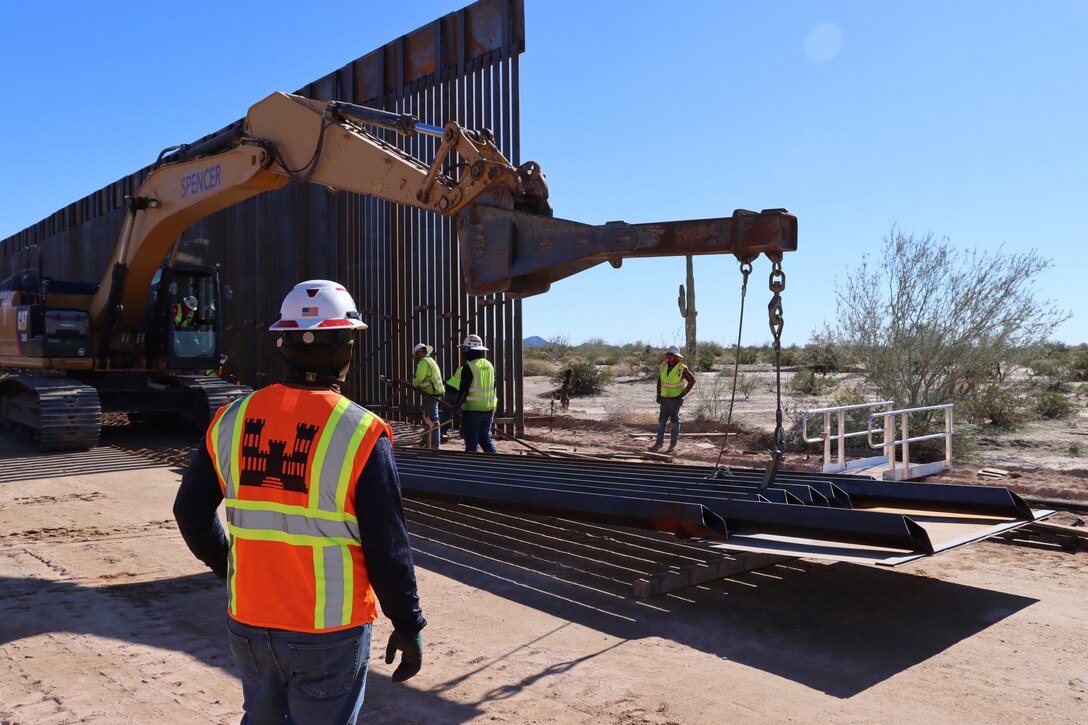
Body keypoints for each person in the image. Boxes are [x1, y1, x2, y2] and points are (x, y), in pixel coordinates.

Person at [173, 279, 425, 724]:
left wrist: (231, 568)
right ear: (345, 350)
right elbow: (388, 545)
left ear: (283, 345)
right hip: (328, 631)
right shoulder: (360, 432)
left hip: (249, 619)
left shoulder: (232, 418)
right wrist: (407, 622)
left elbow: (190, 512)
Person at [452, 333, 498, 453]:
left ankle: (472, 467)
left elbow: (463, 391)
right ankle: (499, 462)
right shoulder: (489, 365)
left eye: (464, 349)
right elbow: (493, 386)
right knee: (485, 439)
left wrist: (456, 408)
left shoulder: (469, 367)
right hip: (489, 409)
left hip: (473, 411)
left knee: (472, 441)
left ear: (470, 350)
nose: (463, 352)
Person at [649, 345, 696, 453]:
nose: (668, 356)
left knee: (675, 422)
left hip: (676, 399)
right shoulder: (663, 366)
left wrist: (683, 393)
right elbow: (660, 381)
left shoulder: (681, 368)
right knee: (661, 422)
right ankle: (658, 444)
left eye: (671, 355)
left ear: (676, 357)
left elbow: (692, 380)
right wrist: (658, 395)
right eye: (668, 354)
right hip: (664, 398)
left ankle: (672, 445)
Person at [411, 342, 444, 448]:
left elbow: (420, 378)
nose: (416, 357)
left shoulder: (423, 362)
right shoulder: (431, 361)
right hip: (435, 391)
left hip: (431, 393)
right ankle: (425, 440)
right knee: (427, 417)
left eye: (417, 354)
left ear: (420, 352)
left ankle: (434, 443)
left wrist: (414, 385)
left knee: (433, 419)